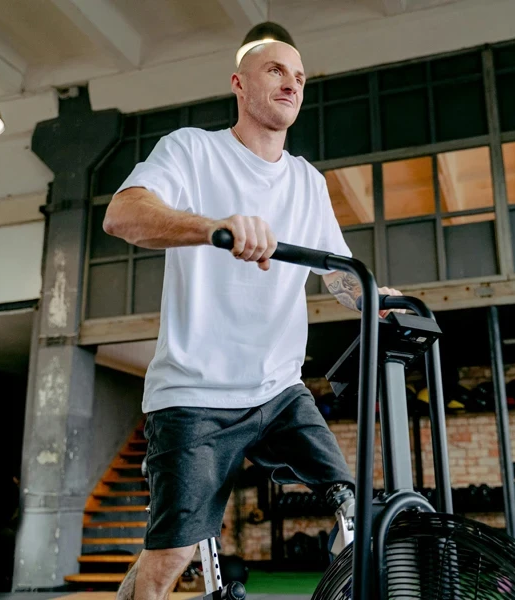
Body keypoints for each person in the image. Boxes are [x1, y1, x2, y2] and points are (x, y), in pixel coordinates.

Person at [103, 38, 402, 600]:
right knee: (171, 555)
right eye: (275, 70)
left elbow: (335, 272)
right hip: (194, 392)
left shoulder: (308, 182)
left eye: (300, 76)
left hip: (279, 390)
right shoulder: (192, 151)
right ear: (239, 84)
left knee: (355, 505)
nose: (292, 83)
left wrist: (369, 297)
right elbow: (123, 216)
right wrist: (217, 227)